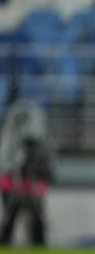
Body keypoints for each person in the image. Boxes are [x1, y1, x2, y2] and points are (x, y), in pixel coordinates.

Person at [0, 99, 54, 246]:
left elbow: (47, 162)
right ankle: (6, 242)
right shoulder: (10, 141)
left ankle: (38, 242)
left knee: (36, 215)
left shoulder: (40, 144)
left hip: (32, 180)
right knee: (11, 214)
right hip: (14, 180)